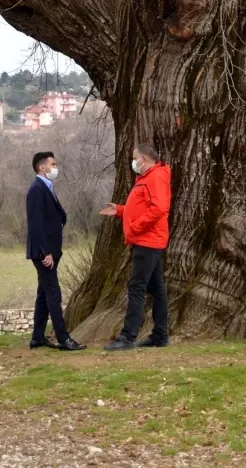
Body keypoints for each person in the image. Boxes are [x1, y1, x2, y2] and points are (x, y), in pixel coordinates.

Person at [99, 143, 171, 350]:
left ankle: (128, 336)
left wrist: (135, 227)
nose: (133, 162)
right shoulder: (147, 178)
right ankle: (160, 335)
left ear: (144, 160)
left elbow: (158, 208)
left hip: (147, 240)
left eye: (134, 158)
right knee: (156, 288)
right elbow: (141, 207)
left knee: (137, 287)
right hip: (149, 239)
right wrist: (121, 210)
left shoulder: (155, 177)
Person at [26, 151, 86, 352]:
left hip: (52, 250)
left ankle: (37, 336)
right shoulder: (36, 190)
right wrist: (45, 252)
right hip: (44, 253)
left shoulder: (47, 188)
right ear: (42, 167)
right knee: (53, 292)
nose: (55, 167)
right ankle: (63, 338)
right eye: (53, 164)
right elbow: (35, 225)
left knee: (43, 292)